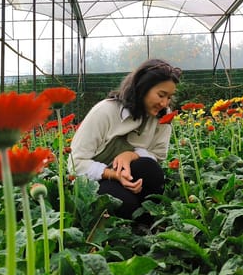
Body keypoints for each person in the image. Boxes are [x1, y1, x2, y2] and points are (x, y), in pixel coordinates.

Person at [69, 59, 181, 218]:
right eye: (161, 95)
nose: (165, 103)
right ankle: (133, 219)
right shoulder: (105, 112)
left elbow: (158, 155)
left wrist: (131, 155)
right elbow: (75, 164)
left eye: (169, 97)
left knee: (152, 171)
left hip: (131, 175)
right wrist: (114, 174)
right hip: (94, 181)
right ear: (142, 88)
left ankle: (146, 218)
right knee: (125, 205)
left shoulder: (163, 115)